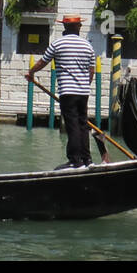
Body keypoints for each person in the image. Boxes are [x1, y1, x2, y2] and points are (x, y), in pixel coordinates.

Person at [25, 15, 96, 169]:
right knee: (83, 124)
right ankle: (87, 160)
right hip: (83, 92)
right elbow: (92, 71)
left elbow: (42, 61)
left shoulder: (57, 44)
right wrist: (84, 85)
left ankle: (75, 161)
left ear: (64, 27)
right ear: (79, 27)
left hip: (67, 92)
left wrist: (31, 73)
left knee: (73, 125)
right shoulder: (87, 46)